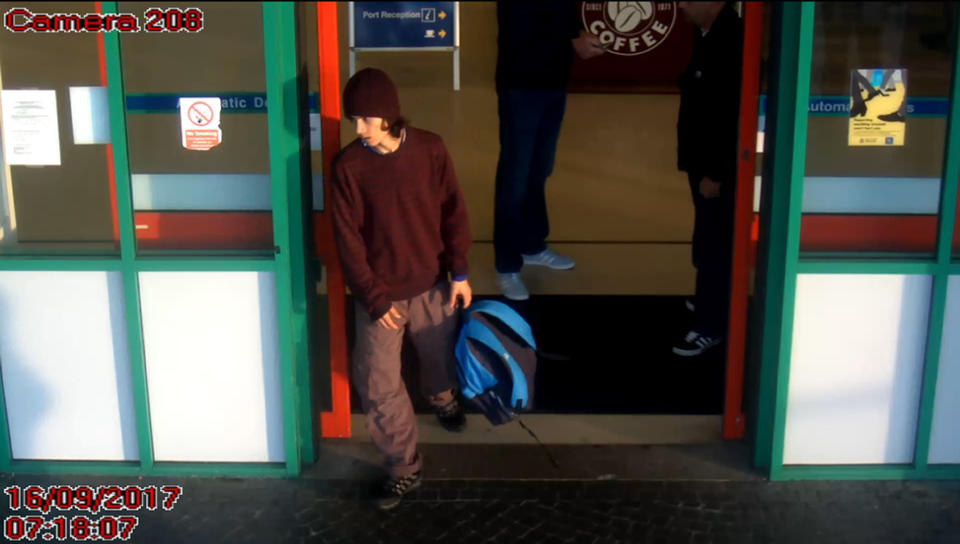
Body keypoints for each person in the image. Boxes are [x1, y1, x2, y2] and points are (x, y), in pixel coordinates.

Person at [330, 68, 473, 510]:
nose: (359, 130)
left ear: (389, 116)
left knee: (437, 354)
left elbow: (454, 211)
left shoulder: (430, 150)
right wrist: (373, 298)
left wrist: (460, 272)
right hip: (381, 295)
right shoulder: (349, 165)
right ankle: (403, 468)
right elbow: (347, 238)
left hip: (432, 284)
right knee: (377, 382)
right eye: (354, 119)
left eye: (367, 120)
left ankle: (443, 398)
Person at [492, 1, 605, 300]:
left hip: (553, 82)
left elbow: (562, 15)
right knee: (515, 176)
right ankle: (506, 264)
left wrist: (578, 34)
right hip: (521, 84)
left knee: (540, 170)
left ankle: (532, 244)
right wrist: (572, 38)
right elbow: (519, 22)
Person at [673, 2, 743, 357]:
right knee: (706, 236)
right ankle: (707, 298)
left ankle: (710, 324)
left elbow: (728, 113)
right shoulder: (705, 32)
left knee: (716, 244)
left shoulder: (730, 40)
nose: (681, 5)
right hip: (700, 162)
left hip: (715, 169)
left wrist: (715, 173)